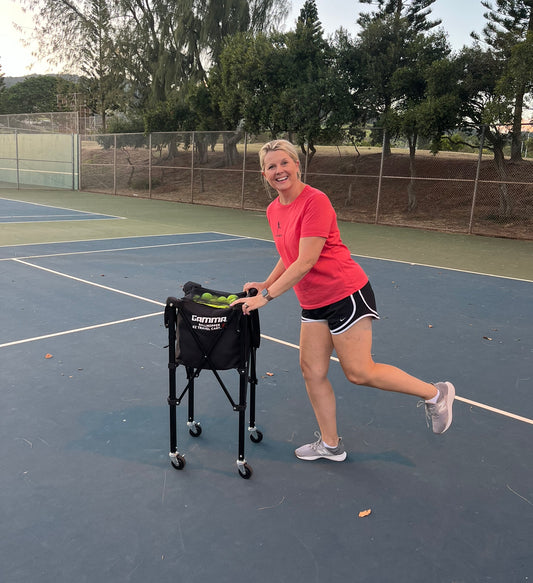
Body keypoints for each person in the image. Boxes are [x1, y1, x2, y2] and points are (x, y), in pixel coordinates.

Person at [231, 139, 455, 462]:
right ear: (263, 174)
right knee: (312, 370)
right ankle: (331, 445)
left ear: (297, 165)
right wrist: (267, 281)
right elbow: (289, 254)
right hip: (314, 301)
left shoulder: (315, 202)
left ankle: (436, 394)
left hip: (345, 294)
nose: (278, 170)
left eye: (284, 163)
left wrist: (267, 295)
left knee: (359, 372)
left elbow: (306, 260)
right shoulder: (273, 210)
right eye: (271, 166)